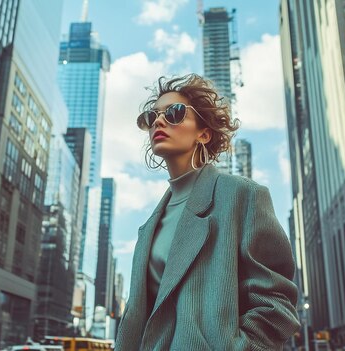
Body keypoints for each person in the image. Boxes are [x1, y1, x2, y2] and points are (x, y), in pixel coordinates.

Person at [115, 74, 300, 350]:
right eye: (152, 115)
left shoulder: (242, 196)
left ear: (204, 133)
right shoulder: (148, 227)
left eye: (174, 113)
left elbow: (276, 301)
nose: (158, 121)